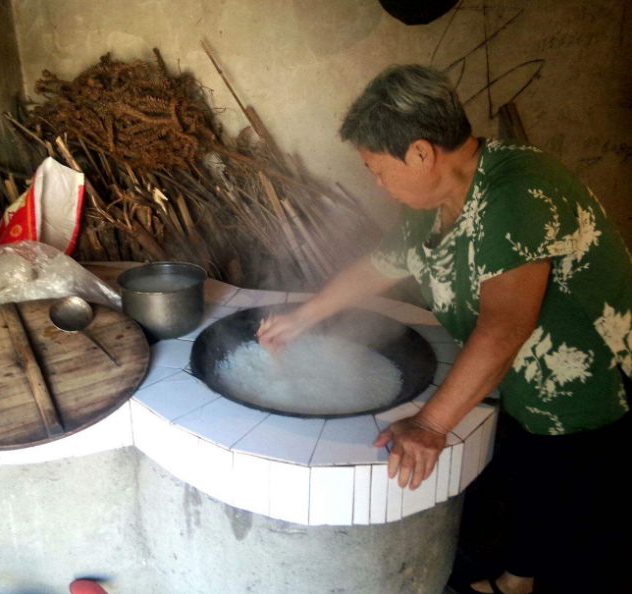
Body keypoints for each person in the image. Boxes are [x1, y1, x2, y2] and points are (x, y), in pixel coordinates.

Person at [257, 64, 632, 594]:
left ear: (420, 152)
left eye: (377, 168)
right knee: (529, 483)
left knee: (581, 533)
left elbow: (505, 327)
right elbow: (379, 266)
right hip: (527, 389)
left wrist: (431, 426)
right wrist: (304, 317)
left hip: (592, 397)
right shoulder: (436, 202)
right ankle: (515, 581)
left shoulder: (518, 191)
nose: (377, 184)